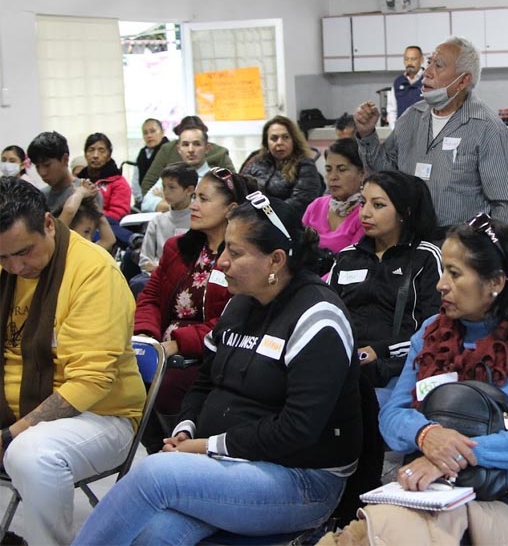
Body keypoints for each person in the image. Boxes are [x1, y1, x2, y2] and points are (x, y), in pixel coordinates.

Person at [73, 194, 363, 544]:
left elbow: (297, 428)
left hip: (303, 480)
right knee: (153, 536)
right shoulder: (240, 304)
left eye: (236, 253)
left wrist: (207, 446)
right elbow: (205, 381)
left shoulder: (318, 318)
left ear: (275, 260)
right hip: (228, 463)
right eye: (224, 248)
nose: (221, 262)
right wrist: (186, 429)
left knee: (154, 476)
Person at [378, 215, 508, 545]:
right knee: (377, 527)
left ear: (495, 282)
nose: (441, 285)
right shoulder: (429, 333)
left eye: (454, 273)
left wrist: (453, 454)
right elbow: (392, 415)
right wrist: (426, 434)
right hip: (432, 483)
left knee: (408, 534)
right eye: (443, 272)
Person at [0, 177, 145, 546]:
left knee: (31, 455)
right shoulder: (7, 266)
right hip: (16, 406)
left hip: (100, 416)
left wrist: (7, 436)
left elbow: (90, 382)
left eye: (25, 252)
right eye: (3, 257)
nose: (16, 267)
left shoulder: (93, 272)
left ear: (50, 223)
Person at [354, 36, 508, 234]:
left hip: (459, 247)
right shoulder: (411, 117)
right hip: (409, 240)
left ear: (463, 80)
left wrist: (497, 255)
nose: (427, 72)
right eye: (429, 63)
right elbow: (384, 174)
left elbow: (504, 205)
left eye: (439, 65)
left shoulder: (487, 127)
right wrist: (366, 134)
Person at [133, 167, 246, 452]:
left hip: (207, 354)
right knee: (128, 378)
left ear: (231, 209)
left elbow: (231, 321)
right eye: (194, 197)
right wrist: (147, 337)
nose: (193, 205)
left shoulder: (240, 258)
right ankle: (156, 453)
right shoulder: (176, 248)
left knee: (169, 384)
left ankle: (177, 450)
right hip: (162, 348)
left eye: (204, 199)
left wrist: (177, 344)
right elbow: (150, 297)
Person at [329, 170, 442, 404]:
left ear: (404, 212)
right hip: (348, 361)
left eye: (378, 205)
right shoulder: (346, 258)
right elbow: (329, 316)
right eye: (362, 203)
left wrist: (380, 350)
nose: (365, 212)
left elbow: (435, 329)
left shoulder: (426, 257)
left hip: (401, 364)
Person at [130, 162, 198, 296]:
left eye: (172, 187)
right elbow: (145, 261)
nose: (166, 192)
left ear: (189, 190)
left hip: (189, 278)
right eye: (164, 186)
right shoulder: (157, 221)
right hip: (157, 277)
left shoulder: (198, 221)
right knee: (137, 283)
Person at [241, 115, 324, 216]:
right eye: (274, 138)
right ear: (266, 143)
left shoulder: (305, 165)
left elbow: (300, 203)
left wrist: (267, 215)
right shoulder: (256, 160)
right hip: (252, 219)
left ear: (294, 140)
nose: (279, 143)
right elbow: (240, 190)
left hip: (287, 223)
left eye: (285, 137)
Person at [140, 115, 235, 196]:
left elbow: (235, 185)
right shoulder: (167, 150)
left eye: (196, 143)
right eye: (185, 143)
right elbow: (148, 184)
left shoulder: (220, 153)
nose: (191, 149)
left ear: (206, 146)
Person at [302, 138, 366, 257]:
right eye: (328, 170)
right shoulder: (316, 206)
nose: (333, 177)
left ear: (362, 173)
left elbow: (353, 262)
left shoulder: (365, 213)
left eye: (341, 170)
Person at [142, 116, 216, 213]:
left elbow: (207, 210)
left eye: (196, 144)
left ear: (207, 148)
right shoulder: (169, 176)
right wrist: (182, 204)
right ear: (178, 149)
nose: (190, 150)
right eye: (185, 145)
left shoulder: (214, 179)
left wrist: (166, 201)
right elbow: (146, 204)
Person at [77, 132, 132, 222]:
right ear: (85, 154)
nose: (95, 155)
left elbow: (117, 215)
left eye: (101, 151)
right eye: (91, 150)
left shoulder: (119, 183)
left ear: (109, 156)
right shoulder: (77, 181)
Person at [26, 131, 77, 215]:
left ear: (65, 159)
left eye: (47, 165)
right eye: (37, 166)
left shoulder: (87, 191)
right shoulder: (40, 197)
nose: (42, 173)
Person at [131, 118, 169, 203]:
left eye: (153, 131)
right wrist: (142, 199)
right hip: (143, 199)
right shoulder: (142, 154)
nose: (149, 135)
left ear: (162, 132)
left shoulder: (170, 151)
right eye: (145, 133)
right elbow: (135, 181)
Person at [387, 45, 425, 126]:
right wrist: (394, 129)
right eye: (406, 59)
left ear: (421, 60)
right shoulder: (398, 82)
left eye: (413, 59)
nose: (409, 63)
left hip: (423, 130)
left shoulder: (429, 80)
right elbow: (392, 110)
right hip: (402, 131)